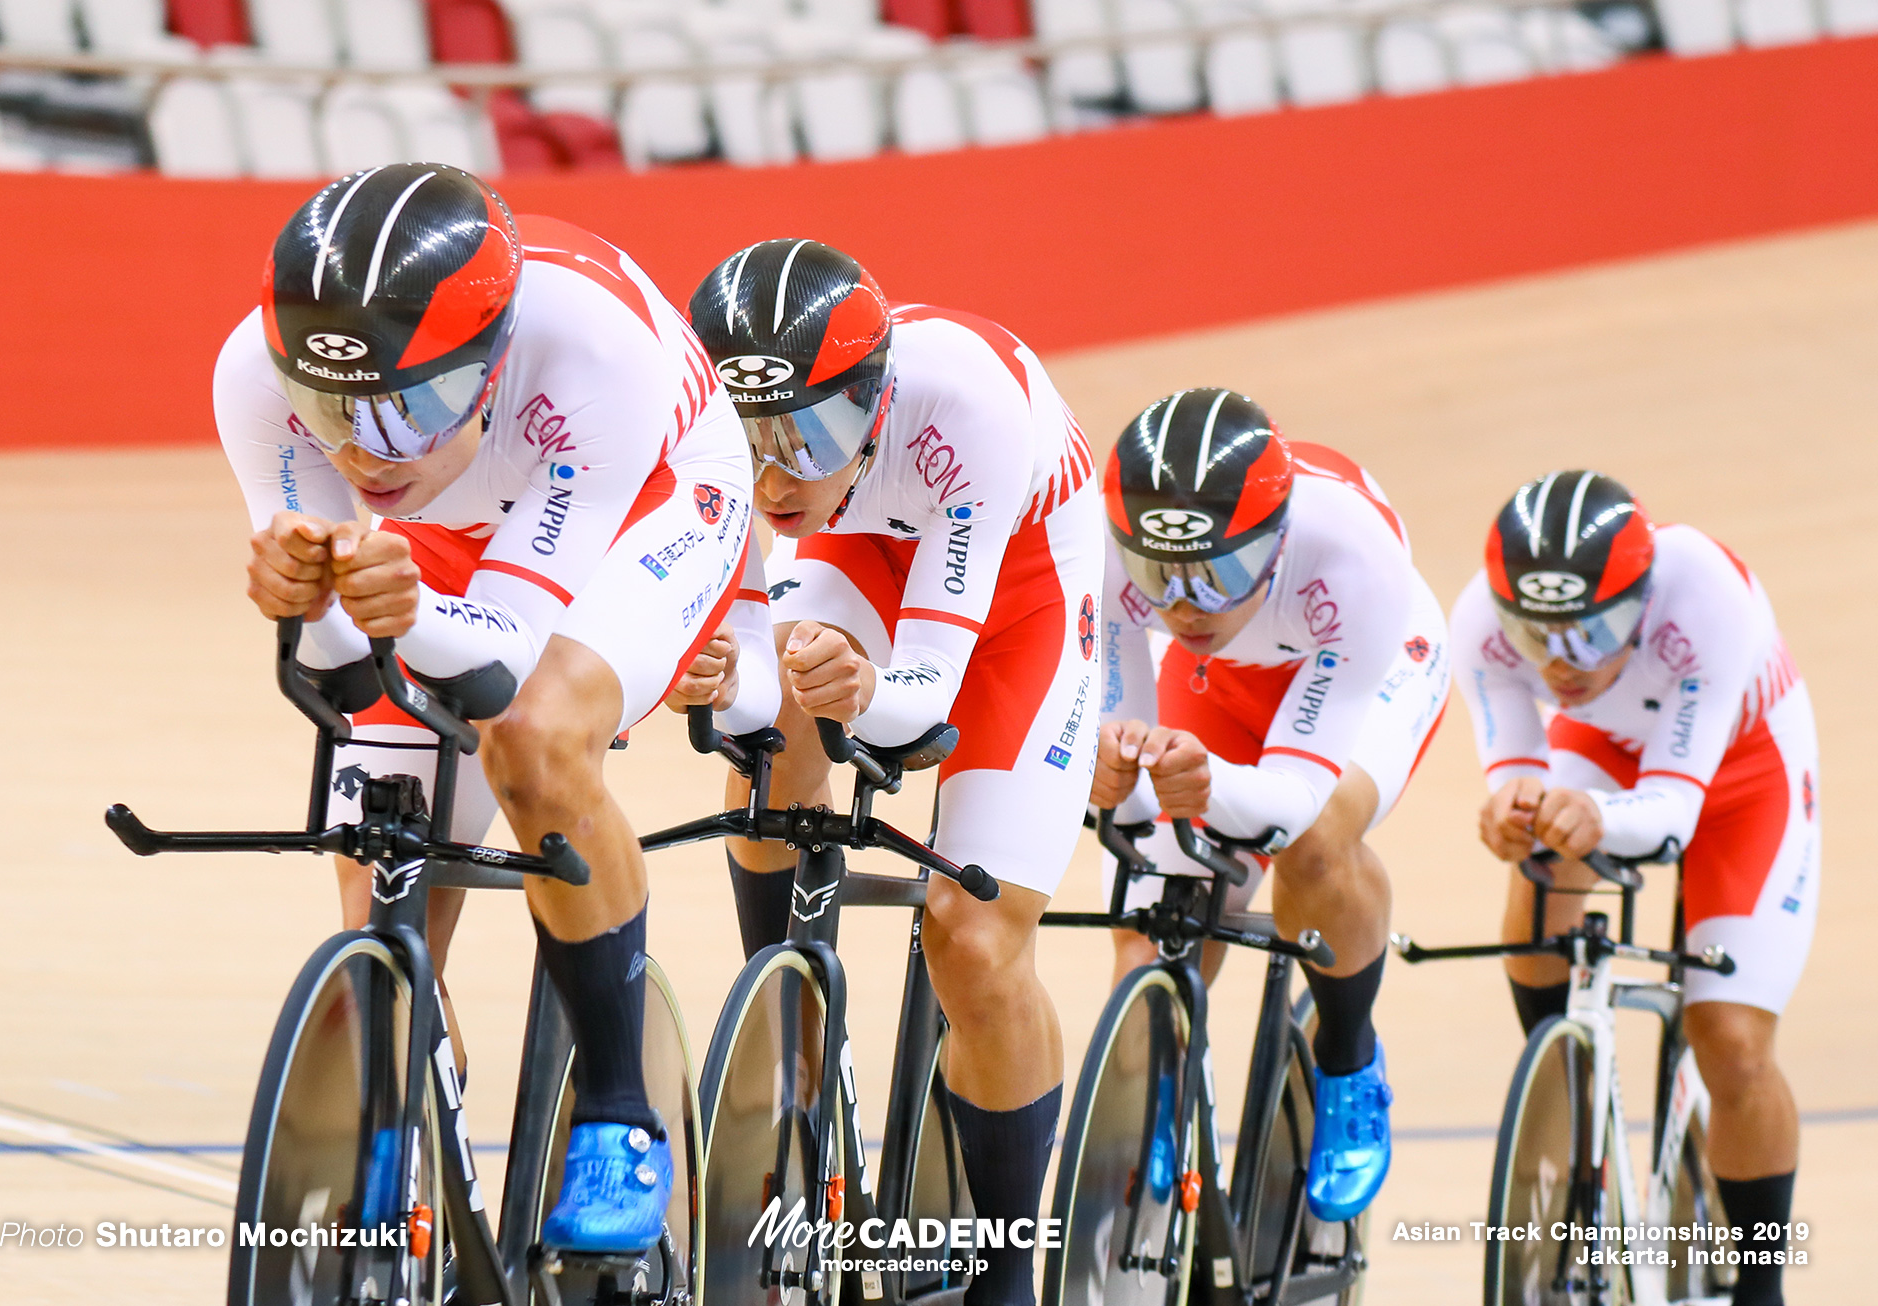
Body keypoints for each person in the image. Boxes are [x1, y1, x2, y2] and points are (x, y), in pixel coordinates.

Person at [215, 163, 769, 1254]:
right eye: (331, 410)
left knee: (535, 743)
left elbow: (506, 666)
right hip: (453, 520)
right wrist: (309, 599)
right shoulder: (255, 373)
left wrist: (394, 612)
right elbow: (338, 679)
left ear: (490, 365)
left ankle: (619, 1112)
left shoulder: (592, 353)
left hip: (645, 493)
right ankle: (406, 1079)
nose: (366, 448)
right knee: (379, 798)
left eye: (406, 405)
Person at [679, 238, 1103, 1306]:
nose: (772, 474)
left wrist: (865, 688)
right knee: (771, 750)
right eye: (750, 440)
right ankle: (796, 1071)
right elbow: (720, 674)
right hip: (858, 551)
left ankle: (1008, 1271)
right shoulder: (749, 460)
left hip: (1017, 592)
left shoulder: (966, 402)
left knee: (973, 935)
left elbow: (921, 697)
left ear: (874, 400)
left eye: (807, 437)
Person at [1452, 470, 1816, 1306]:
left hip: (1743, 770)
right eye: (1538, 636)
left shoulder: (1705, 595)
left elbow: (1673, 816)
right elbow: (1515, 767)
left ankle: (1761, 1290)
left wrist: (1595, 816)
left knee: (1730, 1037)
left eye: (1592, 632)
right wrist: (1515, 810)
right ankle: (1565, 1077)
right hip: (1608, 746)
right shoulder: (1481, 621)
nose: (1561, 662)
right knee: (1543, 851)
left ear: (1641, 601)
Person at [1092, 389, 1449, 1223]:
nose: (1184, 607)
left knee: (1316, 838)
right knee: (1155, 907)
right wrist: (1113, 775)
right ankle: (1160, 1083)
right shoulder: (1104, 553)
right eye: (1160, 577)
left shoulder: (1356, 553)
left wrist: (1209, 784)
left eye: (1215, 573)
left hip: (1358, 665)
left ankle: (1348, 1058)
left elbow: (1290, 801)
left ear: (1276, 540)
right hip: (1221, 682)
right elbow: (1121, 752)